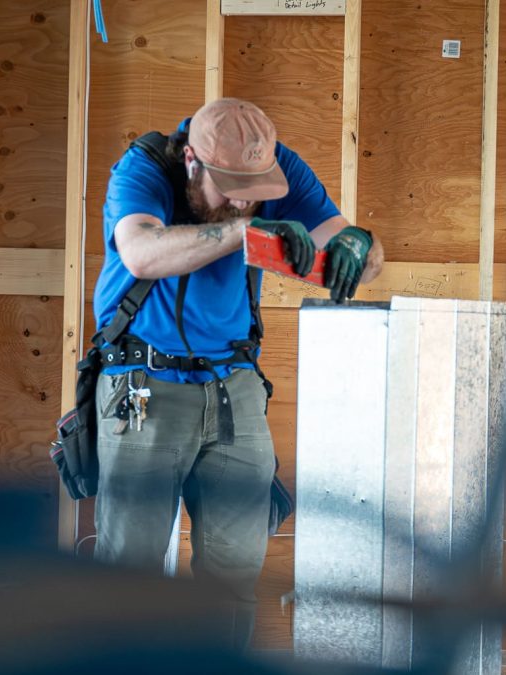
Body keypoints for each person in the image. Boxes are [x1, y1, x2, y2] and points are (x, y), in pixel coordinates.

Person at [90, 98, 384, 648]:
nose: (246, 199)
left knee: (234, 574)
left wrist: (360, 245)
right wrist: (246, 232)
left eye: (256, 189)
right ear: (193, 162)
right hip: (143, 387)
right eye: (231, 189)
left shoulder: (277, 169)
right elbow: (141, 253)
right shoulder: (147, 167)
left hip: (235, 391)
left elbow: (357, 257)